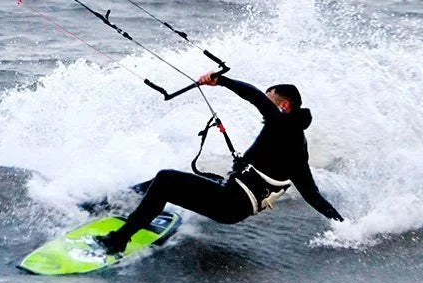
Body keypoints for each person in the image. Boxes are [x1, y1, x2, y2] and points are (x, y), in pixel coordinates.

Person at [95, 71, 344, 254]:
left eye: (272, 101)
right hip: (235, 210)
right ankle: (124, 200)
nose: (266, 109)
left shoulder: (280, 123)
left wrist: (221, 80)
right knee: (187, 179)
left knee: (165, 179)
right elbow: (313, 196)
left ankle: (118, 240)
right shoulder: (299, 148)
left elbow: (255, 97)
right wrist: (347, 229)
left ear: (285, 105)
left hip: (229, 201)